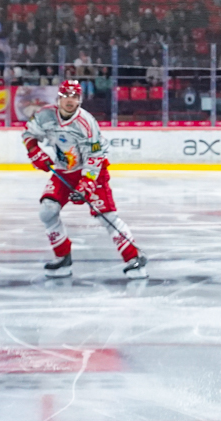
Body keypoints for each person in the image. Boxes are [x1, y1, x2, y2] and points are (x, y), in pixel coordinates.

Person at [22, 80, 148, 279]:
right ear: (59, 98)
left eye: (74, 96)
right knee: (47, 210)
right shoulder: (46, 115)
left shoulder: (87, 123)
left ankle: (134, 259)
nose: (69, 100)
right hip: (64, 171)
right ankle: (63, 258)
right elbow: (29, 134)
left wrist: (86, 183)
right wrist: (34, 152)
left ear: (79, 99)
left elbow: (95, 157)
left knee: (106, 216)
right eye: (66, 96)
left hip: (93, 172)